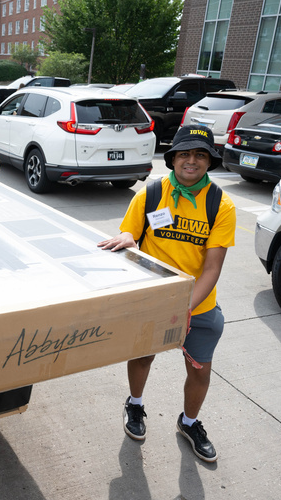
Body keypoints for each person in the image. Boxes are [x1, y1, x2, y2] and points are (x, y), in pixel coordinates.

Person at [97, 125, 236, 463]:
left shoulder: (221, 204)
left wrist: (186, 309)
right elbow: (129, 231)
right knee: (143, 356)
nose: (192, 161)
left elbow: (212, 268)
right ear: (173, 159)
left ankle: (189, 423)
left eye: (200, 155)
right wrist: (128, 238)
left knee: (200, 370)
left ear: (208, 161)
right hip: (155, 300)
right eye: (185, 154)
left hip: (198, 304)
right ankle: (135, 404)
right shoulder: (151, 193)